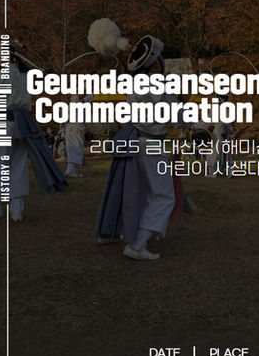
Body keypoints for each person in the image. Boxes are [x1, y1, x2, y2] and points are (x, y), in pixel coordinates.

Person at [0, 47, 66, 221]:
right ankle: (17, 210)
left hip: (0, 123)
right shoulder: (25, 77)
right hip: (22, 125)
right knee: (17, 165)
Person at [96, 36, 178, 260]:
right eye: (158, 59)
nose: (160, 62)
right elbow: (176, 117)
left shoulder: (136, 85)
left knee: (144, 192)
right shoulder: (157, 85)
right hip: (151, 144)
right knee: (164, 196)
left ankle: (130, 233)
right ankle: (137, 244)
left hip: (138, 142)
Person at [63, 95, 91, 177]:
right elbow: (74, 118)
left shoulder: (77, 102)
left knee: (74, 150)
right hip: (74, 129)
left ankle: (71, 171)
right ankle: (70, 171)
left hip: (73, 129)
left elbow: (87, 99)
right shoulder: (74, 103)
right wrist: (83, 128)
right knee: (75, 150)